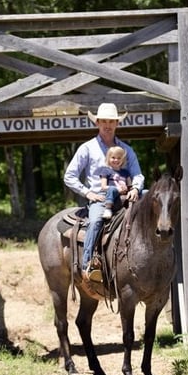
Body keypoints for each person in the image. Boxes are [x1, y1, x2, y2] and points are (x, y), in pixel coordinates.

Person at [64, 103, 144, 282]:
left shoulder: (126, 150)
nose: (108, 125)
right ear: (97, 123)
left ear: (117, 124)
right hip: (101, 198)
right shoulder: (87, 148)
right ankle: (87, 264)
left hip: (125, 197)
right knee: (95, 222)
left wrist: (136, 188)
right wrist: (88, 193)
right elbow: (69, 176)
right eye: (104, 121)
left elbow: (137, 174)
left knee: (157, 205)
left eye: (112, 121)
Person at [99, 145, 132, 220]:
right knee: (112, 189)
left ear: (122, 160)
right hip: (112, 193)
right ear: (108, 158)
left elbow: (130, 185)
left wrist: (126, 188)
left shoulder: (125, 172)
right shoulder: (106, 170)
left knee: (144, 192)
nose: (116, 160)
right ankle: (108, 208)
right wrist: (117, 188)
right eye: (113, 157)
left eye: (119, 158)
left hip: (124, 193)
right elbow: (103, 187)